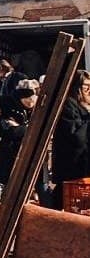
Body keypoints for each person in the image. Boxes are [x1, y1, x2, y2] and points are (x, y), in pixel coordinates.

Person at [52, 70, 90, 211]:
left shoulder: (84, 107)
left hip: (82, 166)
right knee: (66, 202)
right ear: (77, 87)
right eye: (86, 86)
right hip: (71, 166)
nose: (89, 91)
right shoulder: (69, 105)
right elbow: (76, 136)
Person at [0, 84, 37, 186]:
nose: (31, 103)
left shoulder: (34, 108)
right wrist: (27, 128)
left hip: (28, 152)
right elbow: (11, 131)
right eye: (28, 100)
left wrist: (22, 127)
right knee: (11, 183)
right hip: (11, 152)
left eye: (33, 100)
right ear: (22, 99)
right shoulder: (8, 106)